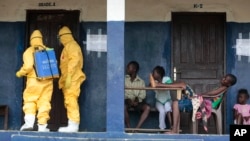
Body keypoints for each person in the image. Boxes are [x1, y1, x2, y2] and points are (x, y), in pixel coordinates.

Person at [150, 73, 237, 133]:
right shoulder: (223, 87)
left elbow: (212, 94)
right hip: (199, 100)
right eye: (224, 77)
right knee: (182, 87)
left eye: (226, 79)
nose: (223, 79)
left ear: (229, 84)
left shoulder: (224, 88)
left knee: (176, 100)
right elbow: (212, 95)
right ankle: (159, 85)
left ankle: (174, 131)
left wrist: (199, 95)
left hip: (199, 102)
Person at [16, 30, 53, 132]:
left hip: (33, 81)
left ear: (31, 40)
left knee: (30, 101)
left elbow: (28, 67)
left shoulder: (29, 51)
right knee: (44, 102)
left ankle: (29, 124)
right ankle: (42, 126)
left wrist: (20, 73)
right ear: (41, 39)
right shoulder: (48, 51)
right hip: (47, 82)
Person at [57, 26, 86, 132]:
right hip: (68, 78)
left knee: (71, 100)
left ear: (64, 36)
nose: (59, 39)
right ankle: (72, 123)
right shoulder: (67, 47)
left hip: (73, 78)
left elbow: (74, 61)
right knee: (69, 101)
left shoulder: (72, 46)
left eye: (60, 37)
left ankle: (73, 124)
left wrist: (69, 75)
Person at [125, 61, 150, 130]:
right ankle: (129, 129)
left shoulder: (141, 81)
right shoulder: (124, 80)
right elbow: (122, 92)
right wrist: (128, 99)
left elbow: (143, 94)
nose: (127, 69)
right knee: (122, 108)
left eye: (128, 67)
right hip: (127, 101)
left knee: (147, 108)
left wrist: (137, 100)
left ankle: (136, 129)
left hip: (138, 102)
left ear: (134, 69)